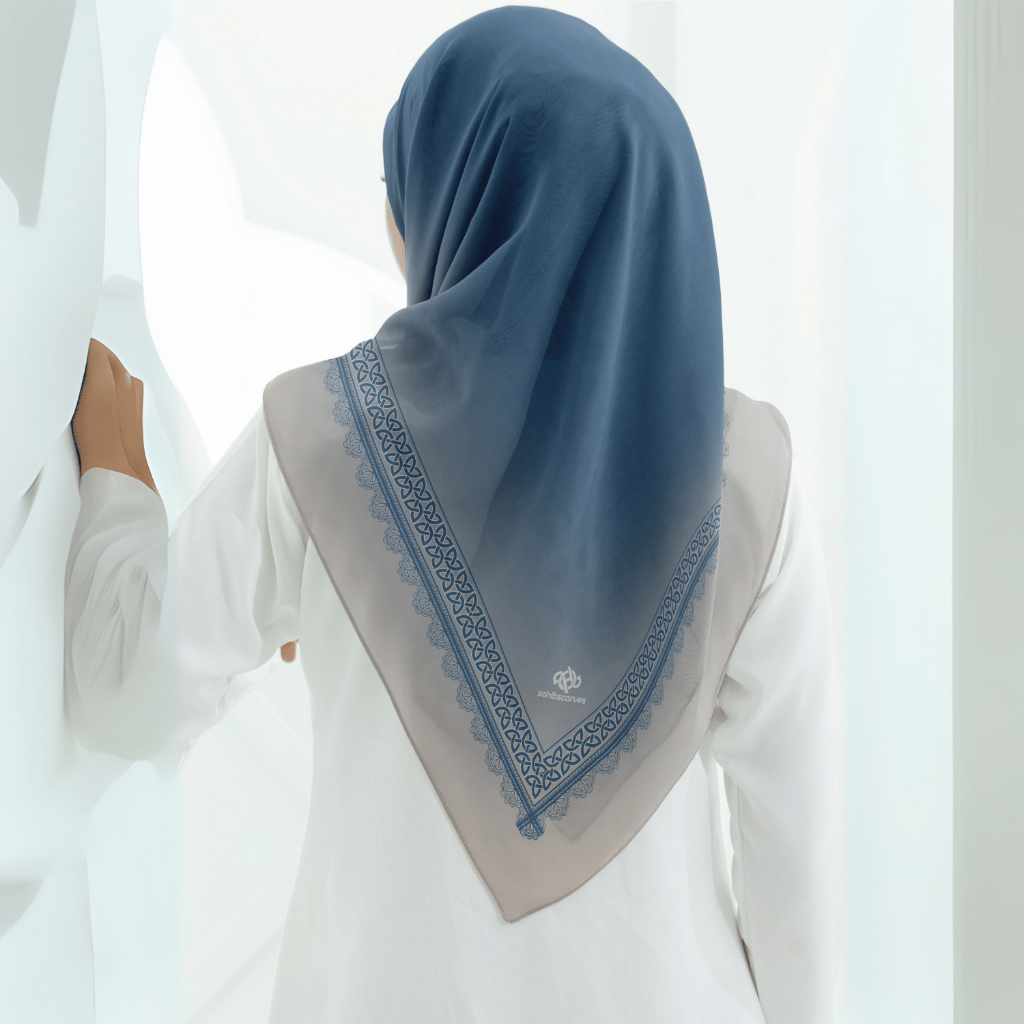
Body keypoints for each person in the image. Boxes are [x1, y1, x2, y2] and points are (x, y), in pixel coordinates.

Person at [66, 8, 839, 1023]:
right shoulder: (752, 480)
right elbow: (798, 878)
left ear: (467, 201)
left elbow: (128, 694)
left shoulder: (323, 435)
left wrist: (117, 476)